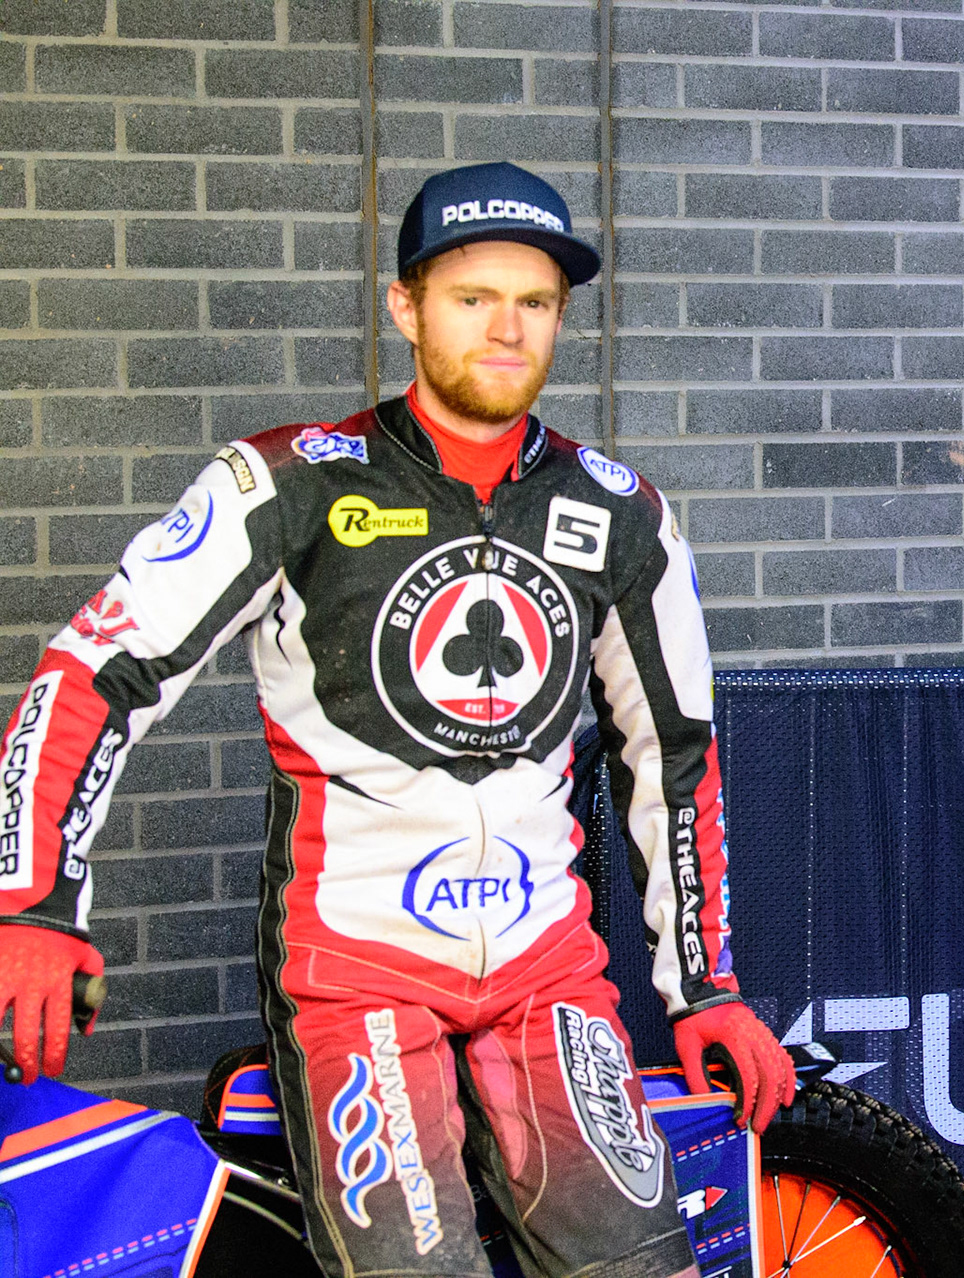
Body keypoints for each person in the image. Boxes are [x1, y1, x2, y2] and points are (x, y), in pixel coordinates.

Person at [0, 161, 794, 1278]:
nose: (506, 328)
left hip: (543, 967)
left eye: (534, 302)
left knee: (644, 1265)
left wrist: (705, 986)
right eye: (473, 297)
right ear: (407, 307)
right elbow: (94, 672)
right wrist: (33, 903)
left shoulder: (623, 513)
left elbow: (676, 758)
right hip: (353, 970)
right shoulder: (284, 483)